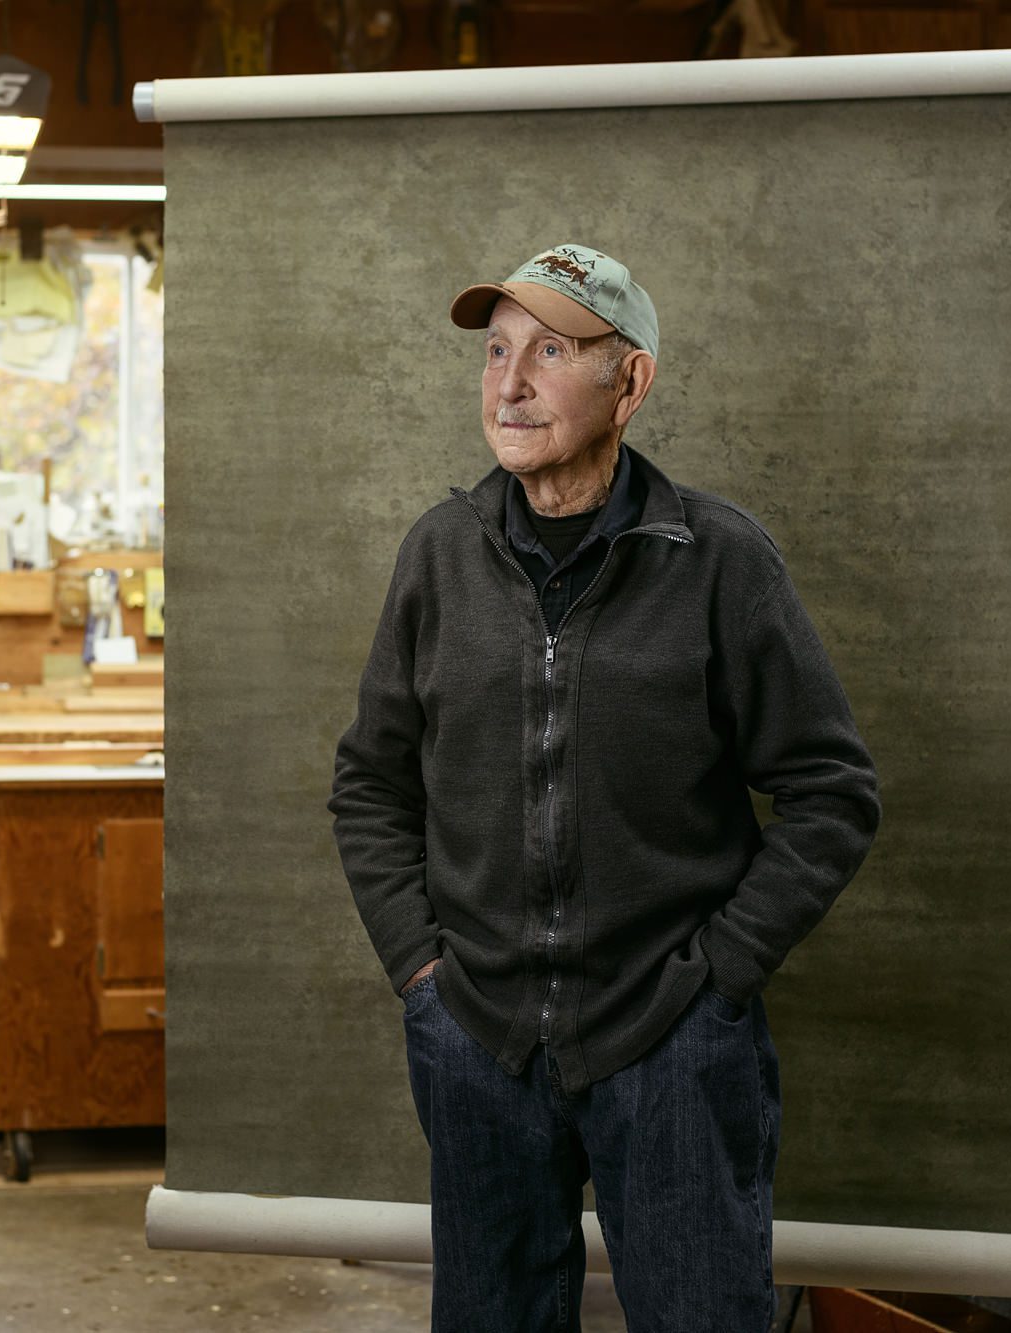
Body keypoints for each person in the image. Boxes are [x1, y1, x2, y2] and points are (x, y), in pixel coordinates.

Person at [328, 243, 882, 1332]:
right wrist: (423, 975)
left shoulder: (719, 561)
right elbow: (369, 783)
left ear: (630, 382)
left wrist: (717, 978)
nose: (509, 383)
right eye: (495, 352)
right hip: (478, 1041)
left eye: (549, 352)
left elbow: (832, 793)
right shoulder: (438, 556)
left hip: (672, 1041)